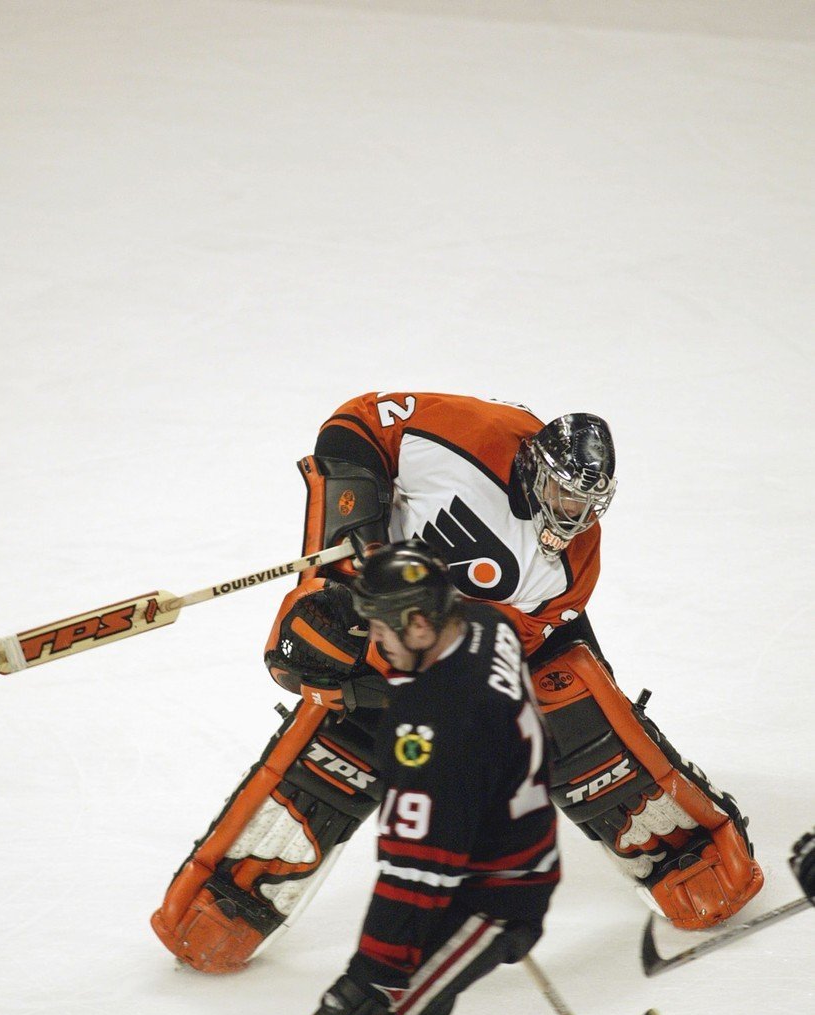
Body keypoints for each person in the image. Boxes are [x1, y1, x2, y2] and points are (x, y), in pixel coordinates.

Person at [152, 392, 763, 973]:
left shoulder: (572, 565)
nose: (570, 516)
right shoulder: (476, 433)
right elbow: (356, 425)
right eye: (562, 493)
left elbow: (499, 648)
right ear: (533, 465)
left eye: (585, 504)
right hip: (372, 598)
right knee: (317, 646)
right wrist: (354, 544)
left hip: (449, 642)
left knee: (564, 702)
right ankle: (233, 890)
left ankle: (688, 845)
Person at [186, 540, 559, 1015]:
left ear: (421, 624)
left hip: (486, 899)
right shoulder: (486, 624)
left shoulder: (436, 735)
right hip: (497, 855)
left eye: (385, 630)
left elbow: (416, 878)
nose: (378, 645)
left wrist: (372, 979)